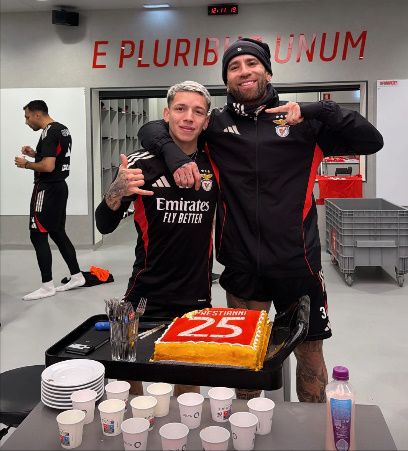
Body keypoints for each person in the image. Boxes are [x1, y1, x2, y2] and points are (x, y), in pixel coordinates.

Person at [138, 38, 384, 402]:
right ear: (226, 80)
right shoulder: (215, 125)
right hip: (242, 269)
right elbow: (152, 129)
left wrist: (319, 109)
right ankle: (248, 425)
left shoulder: (302, 122)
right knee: (246, 362)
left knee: (310, 357)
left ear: (267, 71)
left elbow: (372, 140)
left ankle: (311, 427)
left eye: (252, 64)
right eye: (234, 67)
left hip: (297, 265)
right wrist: (173, 155)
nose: (244, 72)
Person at [95, 81, 218, 396]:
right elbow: (103, 224)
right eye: (180, 109)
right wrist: (116, 191)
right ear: (166, 114)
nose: (188, 117)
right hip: (145, 291)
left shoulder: (215, 164)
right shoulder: (139, 163)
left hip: (195, 295)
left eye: (197, 112)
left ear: (206, 121)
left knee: (187, 387)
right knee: (126, 376)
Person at [15, 100, 85, 301]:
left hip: (46, 189)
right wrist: (35, 154)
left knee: (37, 235)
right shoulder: (62, 129)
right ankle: (77, 276)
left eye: (27, 117)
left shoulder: (48, 132)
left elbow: (48, 166)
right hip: (59, 187)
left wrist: (26, 164)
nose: (26, 121)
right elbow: (54, 157)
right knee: (57, 232)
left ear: (37, 114)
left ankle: (47, 286)